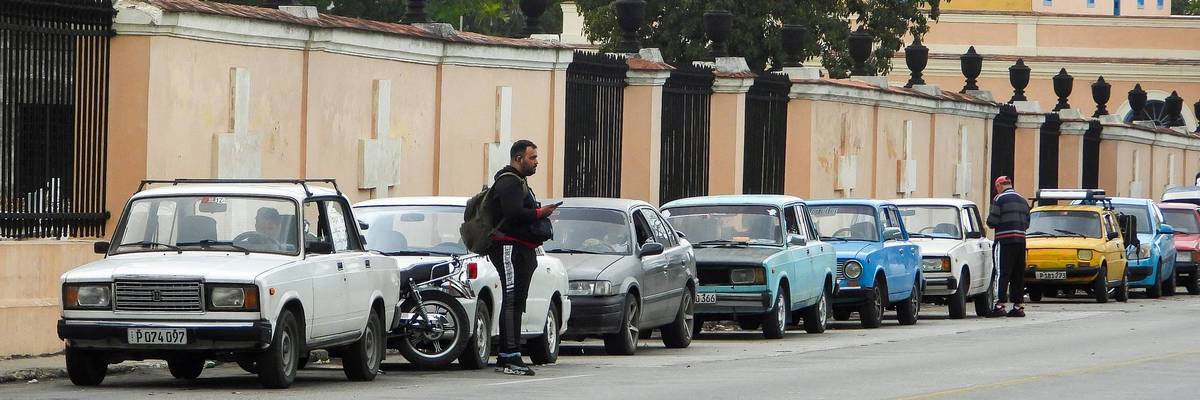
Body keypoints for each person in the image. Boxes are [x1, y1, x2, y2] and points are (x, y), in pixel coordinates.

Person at [486, 140, 558, 376]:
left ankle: (509, 354)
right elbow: (513, 214)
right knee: (512, 298)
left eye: (536, 157)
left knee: (517, 299)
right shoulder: (508, 181)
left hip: (522, 250)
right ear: (518, 158)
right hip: (509, 248)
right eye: (532, 158)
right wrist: (540, 212)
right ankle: (510, 356)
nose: (536, 162)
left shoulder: (520, 182)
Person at [986, 176, 1031, 318]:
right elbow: (1028, 223)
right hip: (1021, 240)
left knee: (1001, 272)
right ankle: (1018, 306)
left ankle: (999, 305)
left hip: (1004, 241)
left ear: (999, 185)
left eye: (996, 187)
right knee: (1018, 273)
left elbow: (992, 221)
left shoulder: (999, 199)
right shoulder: (1023, 201)